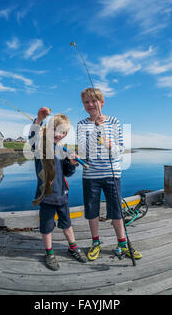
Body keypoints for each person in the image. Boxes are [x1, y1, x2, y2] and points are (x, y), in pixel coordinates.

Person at [76, 88, 142, 261]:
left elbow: (120, 149)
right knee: (92, 211)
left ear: (102, 102)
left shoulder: (114, 121)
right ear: (83, 105)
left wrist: (111, 144)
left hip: (112, 174)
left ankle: (122, 244)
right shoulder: (82, 124)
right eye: (86, 102)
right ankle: (95, 242)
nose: (90, 105)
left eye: (94, 101)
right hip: (90, 176)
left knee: (117, 211)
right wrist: (97, 129)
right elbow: (83, 150)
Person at [29, 107, 87, 271]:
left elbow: (67, 173)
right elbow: (33, 137)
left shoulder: (62, 150)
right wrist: (39, 120)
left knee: (67, 224)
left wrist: (72, 163)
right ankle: (49, 252)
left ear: (65, 135)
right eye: (55, 129)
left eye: (62, 132)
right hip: (46, 196)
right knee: (46, 227)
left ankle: (73, 247)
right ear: (47, 129)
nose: (58, 134)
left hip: (62, 195)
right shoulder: (41, 146)